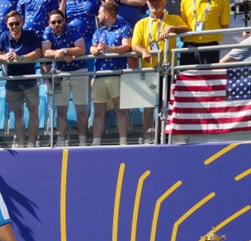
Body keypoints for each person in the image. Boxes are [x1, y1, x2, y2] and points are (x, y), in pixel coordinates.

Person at [130, 0, 188, 143]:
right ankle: (146, 136)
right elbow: (134, 44)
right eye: (151, 1)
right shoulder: (141, 23)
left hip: (168, 71)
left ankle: (166, 135)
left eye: (157, 0)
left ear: (165, 1)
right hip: (151, 71)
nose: (154, 3)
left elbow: (187, 30)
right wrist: (144, 51)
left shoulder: (173, 19)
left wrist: (173, 29)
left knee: (168, 105)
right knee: (149, 106)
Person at [0, 10, 41, 148]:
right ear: (7, 25)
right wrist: (4, 57)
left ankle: (31, 142)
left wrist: (20, 58)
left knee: (33, 111)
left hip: (30, 79)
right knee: (17, 114)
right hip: (12, 81)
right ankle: (20, 143)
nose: (14, 26)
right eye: (11, 24)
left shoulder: (30, 34)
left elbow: (38, 52)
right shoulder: (4, 36)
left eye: (17, 23)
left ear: (22, 23)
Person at [42, 9, 89, 146]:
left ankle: (83, 141)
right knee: (61, 109)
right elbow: (46, 51)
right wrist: (61, 53)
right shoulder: (47, 32)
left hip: (79, 71)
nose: (57, 24)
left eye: (59, 21)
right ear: (49, 23)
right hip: (59, 72)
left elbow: (81, 50)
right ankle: (61, 141)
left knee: (80, 109)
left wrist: (64, 51)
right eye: (53, 22)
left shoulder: (73, 29)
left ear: (64, 21)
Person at [89, 1, 131, 146]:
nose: (98, 15)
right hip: (100, 75)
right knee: (98, 111)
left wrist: (109, 49)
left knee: (120, 109)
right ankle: (96, 142)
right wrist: (98, 49)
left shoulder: (124, 28)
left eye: (100, 12)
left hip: (116, 74)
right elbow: (91, 50)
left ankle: (123, 141)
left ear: (106, 14)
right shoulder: (98, 32)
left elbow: (127, 47)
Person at [178, 0, 230, 65]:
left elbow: (224, 25)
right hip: (189, 46)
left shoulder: (222, 1)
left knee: (207, 74)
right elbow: (182, 25)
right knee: (188, 74)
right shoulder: (185, 1)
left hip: (210, 47)